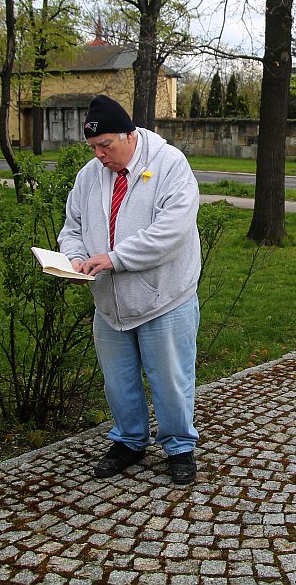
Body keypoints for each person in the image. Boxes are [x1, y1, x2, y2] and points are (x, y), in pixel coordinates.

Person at [58, 94, 201, 485]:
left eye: (105, 145)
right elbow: (72, 226)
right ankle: (129, 440)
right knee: (118, 381)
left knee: (170, 378)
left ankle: (179, 446)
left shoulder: (170, 165)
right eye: (93, 147)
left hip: (164, 297)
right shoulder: (89, 175)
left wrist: (114, 257)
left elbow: (171, 231)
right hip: (110, 303)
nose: (100, 155)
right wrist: (73, 257)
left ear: (130, 135)